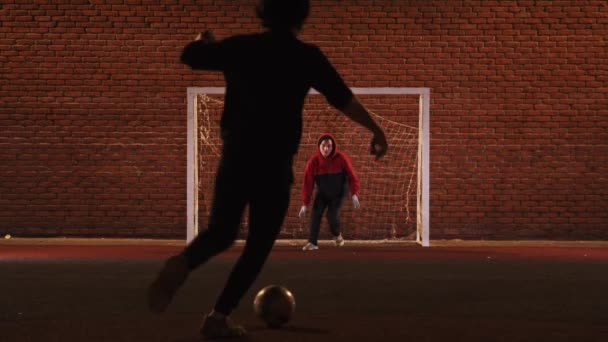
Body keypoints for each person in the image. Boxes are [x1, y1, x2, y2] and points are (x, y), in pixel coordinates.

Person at [147, 0, 388, 339]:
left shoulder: (241, 47)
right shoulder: (306, 56)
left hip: (236, 157)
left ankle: (185, 263)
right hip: (273, 164)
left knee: (221, 232)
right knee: (258, 245)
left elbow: (190, 56)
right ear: (301, 17)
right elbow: (341, 97)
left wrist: (206, 43)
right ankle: (218, 316)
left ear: (263, 14)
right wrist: (376, 129)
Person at [299, 134, 360, 250]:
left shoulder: (341, 158)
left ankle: (337, 235)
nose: (326, 149)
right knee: (315, 214)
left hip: (339, 192)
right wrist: (304, 203)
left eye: (329, 146)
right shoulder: (313, 162)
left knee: (331, 216)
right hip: (323, 192)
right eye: (323, 146)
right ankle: (312, 243)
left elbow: (352, 176)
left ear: (333, 147)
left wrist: (354, 193)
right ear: (319, 146)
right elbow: (307, 183)